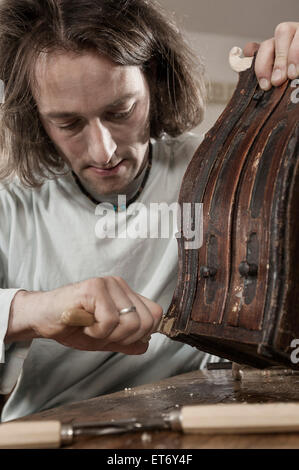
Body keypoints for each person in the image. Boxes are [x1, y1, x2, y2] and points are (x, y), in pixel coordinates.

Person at [0, 0, 298, 422]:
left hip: (189, 418)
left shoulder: (220, 168)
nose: (103, 151)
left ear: (155, 83)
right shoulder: (11, 200)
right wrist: (33, 310)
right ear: (35, 116)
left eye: (120, 111)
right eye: (68, 124)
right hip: (46, 427)